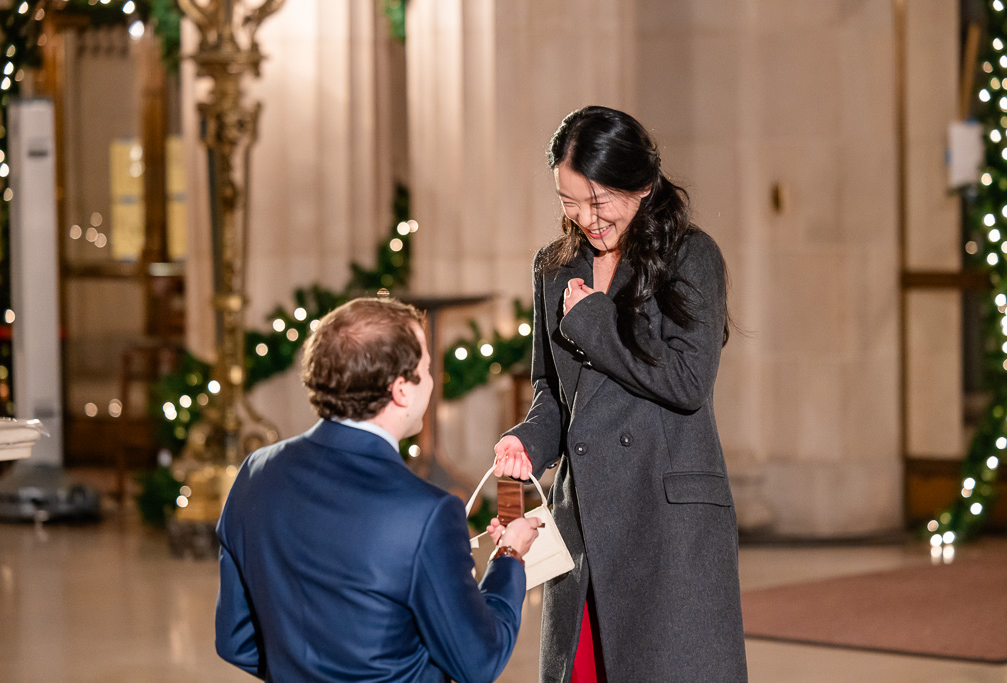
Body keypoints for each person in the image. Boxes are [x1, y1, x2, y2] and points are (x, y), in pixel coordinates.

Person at [493, 106, 748, 682]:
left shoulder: (691, 256)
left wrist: (593, 321)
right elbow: (552, 394)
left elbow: (687, 383)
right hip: (582, 519)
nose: (586, 218)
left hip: (667, 522)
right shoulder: (553, 267)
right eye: (568, 201)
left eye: (599, 200)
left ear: (644, 184)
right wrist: (525, 440)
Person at [216, 297, 542, 683]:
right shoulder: (426, 512)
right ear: (402, 390)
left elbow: (236, 641)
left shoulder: (256, 472)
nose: (433, 379)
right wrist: (508, 555)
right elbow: (478, 660)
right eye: (426, 368)